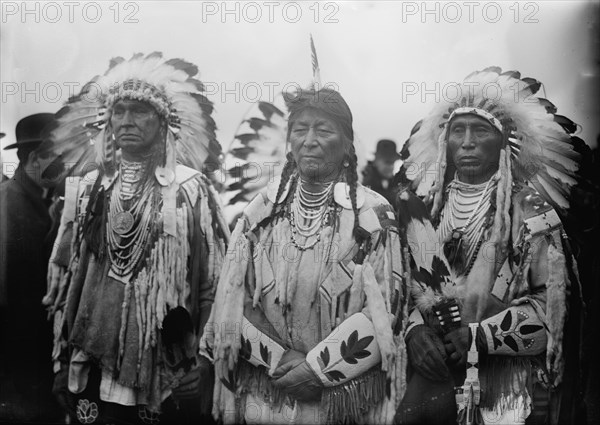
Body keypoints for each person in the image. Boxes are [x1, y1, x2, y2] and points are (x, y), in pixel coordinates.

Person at [200, 87, 407, 424]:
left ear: (346, 145)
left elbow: (386, 309)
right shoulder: (261, 211)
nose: (309, 140)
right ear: (289, 142)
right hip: (267, 395)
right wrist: (280, 359)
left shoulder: (372, 214)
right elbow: (232, 297)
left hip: (342, 402)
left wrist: (319, 368)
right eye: (300, 129)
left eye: (323, 130)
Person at [42, 53, 229, 424]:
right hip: (91, 366)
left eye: (140, 111)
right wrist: (61, 361)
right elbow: (66, 286)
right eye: (119, 111)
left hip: (166, 370)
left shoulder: (191, 190)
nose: (126, 121)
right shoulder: (87, 190)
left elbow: (215, 286)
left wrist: (206, 361)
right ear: (108, 119)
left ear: (163, 121)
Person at [394, 67, 584, 425]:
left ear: (502, 141)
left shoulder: (530, 211)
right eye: (457, 131)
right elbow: (399, 286)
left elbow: (554, 311)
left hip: (507, 389)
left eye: (480, 130)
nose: (467, 141)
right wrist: (415, 331)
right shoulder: (428, 211)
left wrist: (477, 336)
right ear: (443, 142)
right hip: (433, 375)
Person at [0, 113, 65, 423]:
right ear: (37, 157)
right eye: (60, 155)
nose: (67, 165)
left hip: (38, 367)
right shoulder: (7, 207)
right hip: (17, 375)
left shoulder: (44, 201)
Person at [362, 139, 401, 205]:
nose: (390, 167)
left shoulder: (394, 181)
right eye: (387, 162)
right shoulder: (363, 176)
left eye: (392, 162)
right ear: (376, 160)